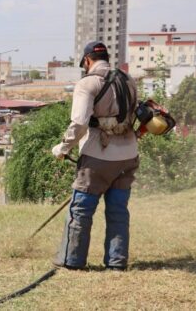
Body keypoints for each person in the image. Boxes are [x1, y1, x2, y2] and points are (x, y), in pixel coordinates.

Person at [51, 41, 139, 271]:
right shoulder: (129, 80)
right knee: (118, 210)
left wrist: (63, 148)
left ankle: (72, 261)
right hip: (128, 155)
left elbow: (79, 123)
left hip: (98, 157)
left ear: (87, 60)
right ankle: (117, 262)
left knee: (81, 210)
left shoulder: (87, 83)